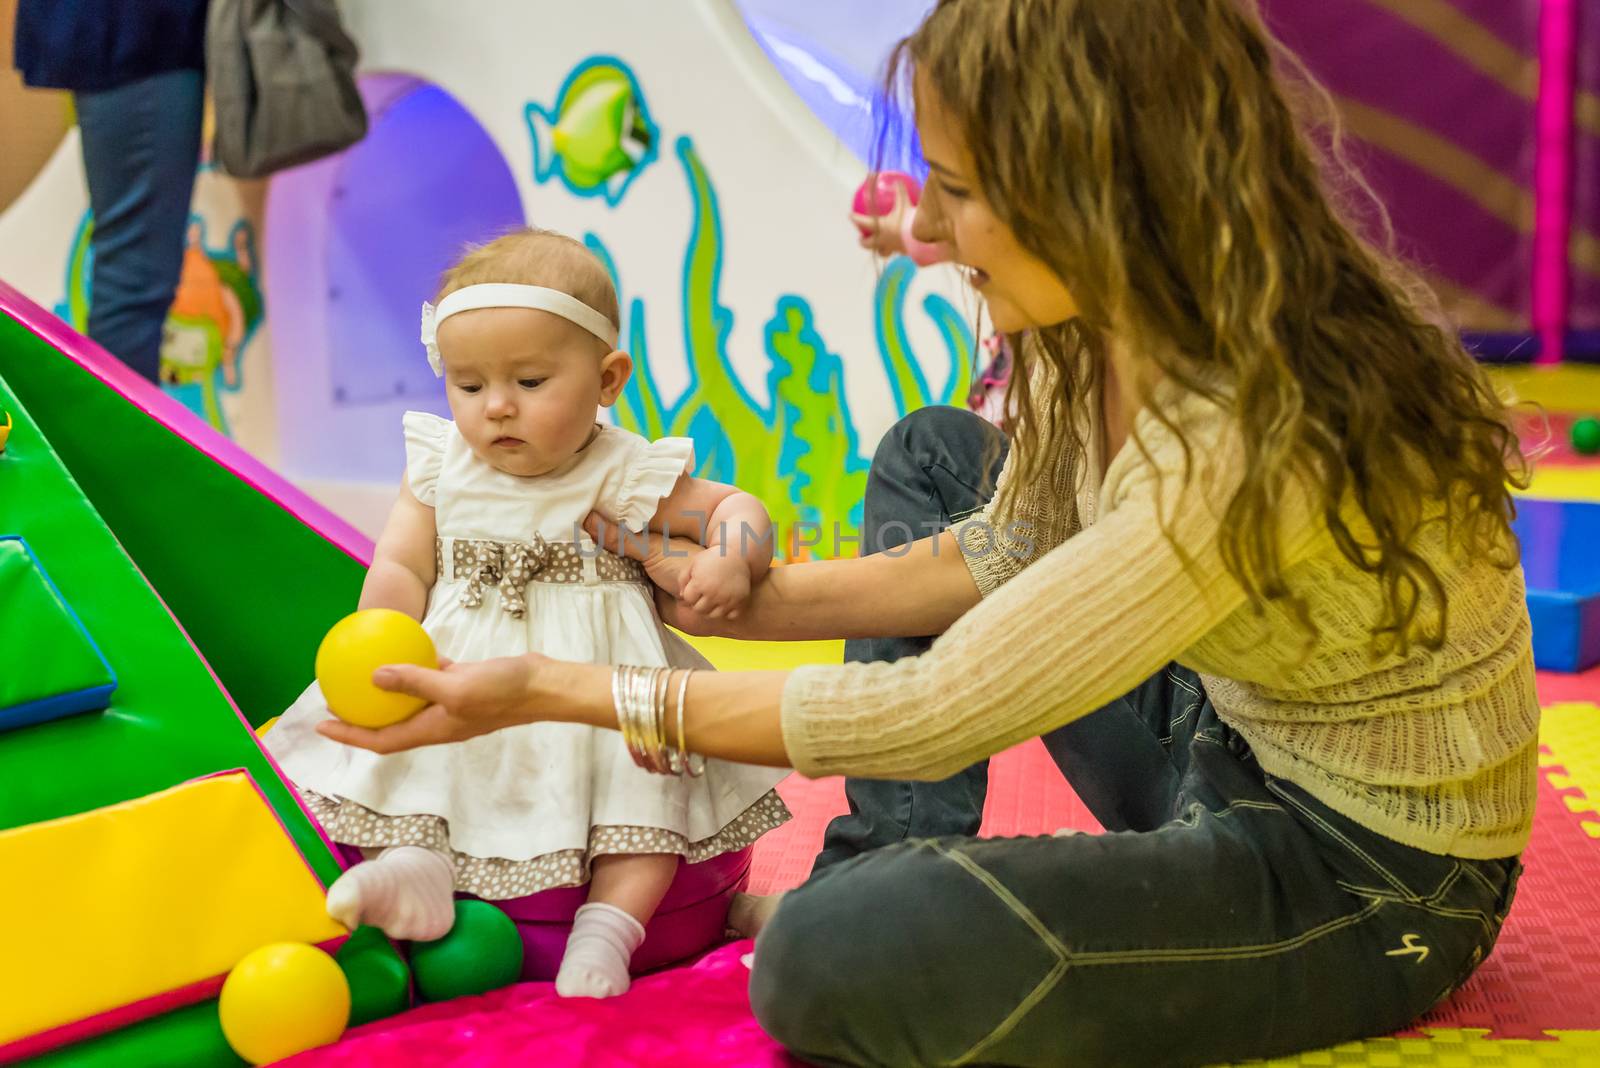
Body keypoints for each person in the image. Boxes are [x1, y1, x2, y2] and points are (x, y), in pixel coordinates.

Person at [318, 2, 1537, 1063]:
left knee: (826, 962)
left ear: (1085, 186)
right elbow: (999, 555)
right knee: (934, 456)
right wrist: (751, 596)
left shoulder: (1248, 426)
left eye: (956, 195)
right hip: (1218, 725)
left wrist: (552, 688)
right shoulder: (1099, 327)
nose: (934, 234)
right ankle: (890, 856)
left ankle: (882, 900)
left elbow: (944, 707)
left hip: (1363, 872)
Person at [267, 229, 789, 999]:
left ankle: (609, 927)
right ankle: (418, 874)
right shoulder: (443, 463)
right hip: (466, 670)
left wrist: (731, 560)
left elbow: (738, 508)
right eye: (469, 385)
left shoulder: (619, 468)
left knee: (644, 794)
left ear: (608, 379)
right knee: (414, 764)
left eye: (532, 380)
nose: (497, 408)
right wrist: (383, 631)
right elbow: (403, 560)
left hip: (603, 686)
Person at [12, 0, 207, 382]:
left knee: (135, 280)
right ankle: (120, 440)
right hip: (136, 34)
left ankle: (116, 435)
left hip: (134, 36)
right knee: (135, 282)